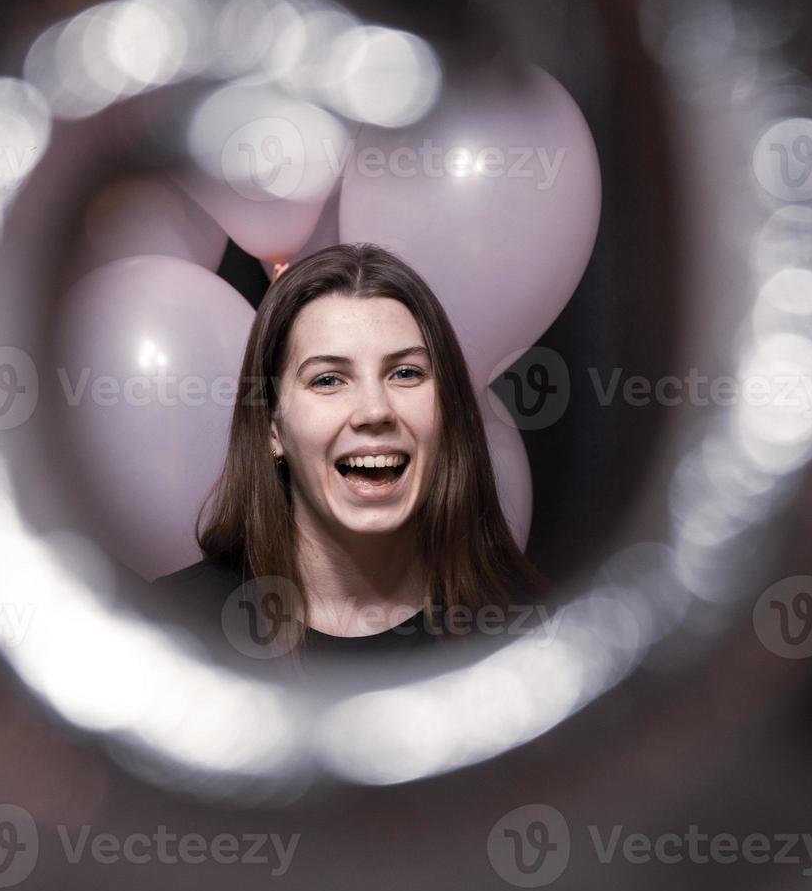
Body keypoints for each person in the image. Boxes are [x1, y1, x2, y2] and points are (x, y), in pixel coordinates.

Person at [153, 243, 548, 671]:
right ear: (273, 428)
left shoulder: (531, 634)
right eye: (328, 380)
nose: (375, 411)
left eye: (405, 373)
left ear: (448, 410)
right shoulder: (175, 632)